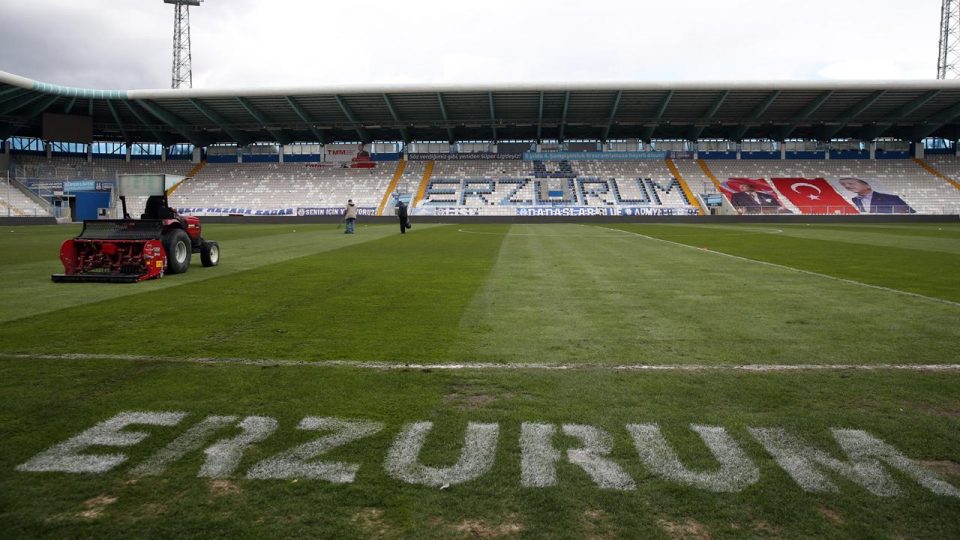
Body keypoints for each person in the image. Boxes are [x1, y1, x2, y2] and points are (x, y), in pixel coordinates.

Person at [838, 177, 914, 214]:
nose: (847, 186)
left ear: (867, 185)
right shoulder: (853, 200)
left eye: (851, 183)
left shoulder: (891, 198)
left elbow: (909, 212)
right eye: (843, 185)